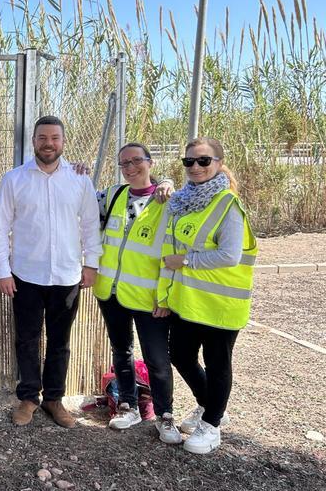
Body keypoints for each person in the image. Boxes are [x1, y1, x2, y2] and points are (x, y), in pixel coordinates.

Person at [0, 115, 102, 429]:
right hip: (26, 275)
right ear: (34, 141)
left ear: (63, 142)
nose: (48, 143)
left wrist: (91, 263)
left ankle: (54, 399)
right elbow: (0, 229)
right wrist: (3, 270)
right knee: (26, 339)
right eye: (42, 138)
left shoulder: (80, 178)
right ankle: (29, 398)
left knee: (59, 342)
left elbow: (91, 225)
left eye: (54, 138)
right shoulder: (14, 179)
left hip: (67, 276)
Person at [155, 137, 257, 454]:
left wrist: (186, 261)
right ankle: (210, 405)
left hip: (222, 304)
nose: (195, 167)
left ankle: (211, 426)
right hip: (191, 302)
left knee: (217, 364)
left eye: (203, 161)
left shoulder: (227, 204)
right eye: (189, 162)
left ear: (218, 163)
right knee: (181, 355)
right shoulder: (184, 201)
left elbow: (230, 255)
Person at [92, 142, 182, 444]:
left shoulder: (168, 202)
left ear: (150, 162)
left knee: (157, 359)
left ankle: (165, 415)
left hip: (149, 298)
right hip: (112, 292)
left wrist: (165, 296)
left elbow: (173, 251)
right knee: (122, 352)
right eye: (124, 163)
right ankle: (127, 405)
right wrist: (77, 172)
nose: (130, 168)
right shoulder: (113, 195)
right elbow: (78, 201)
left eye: (136, 161)